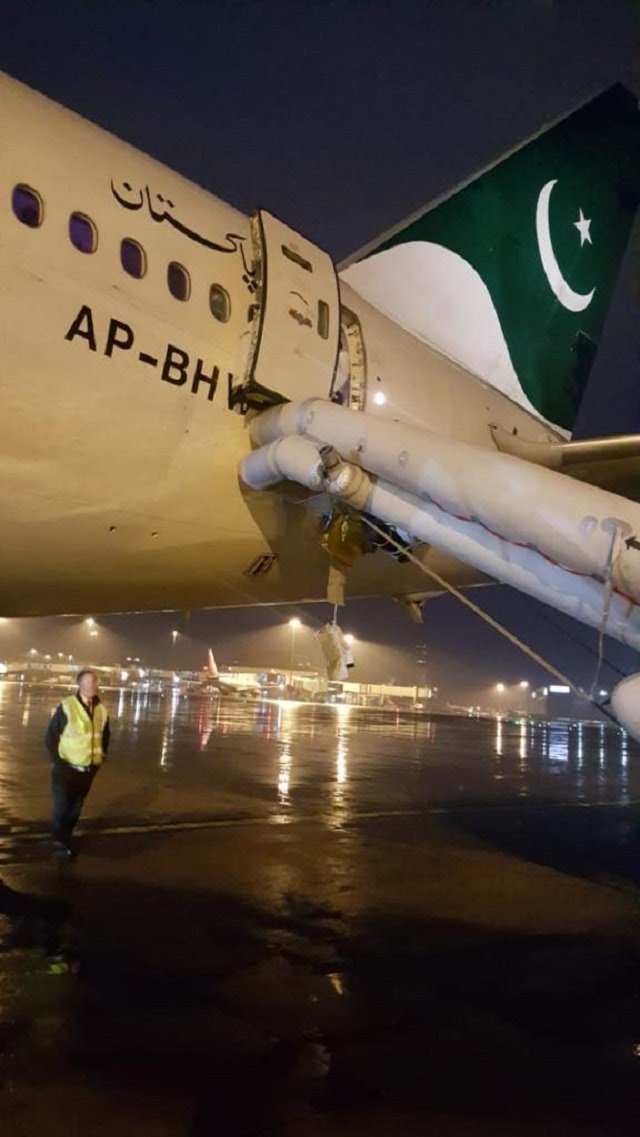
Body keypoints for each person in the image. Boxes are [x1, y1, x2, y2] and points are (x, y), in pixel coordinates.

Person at [45, 669, 110, 858]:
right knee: (62, 807)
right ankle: (59, 842)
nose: (93, 686)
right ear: (80, 685)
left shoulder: (102, 710)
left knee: (75, 809)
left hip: (87, 771)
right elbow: (50, 738)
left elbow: (105, 738)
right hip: (66, 769)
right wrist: (58, 764)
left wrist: (99, 761)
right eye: (89, 683)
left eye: (95, 683)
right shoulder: (67, 706)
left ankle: (66, 838)